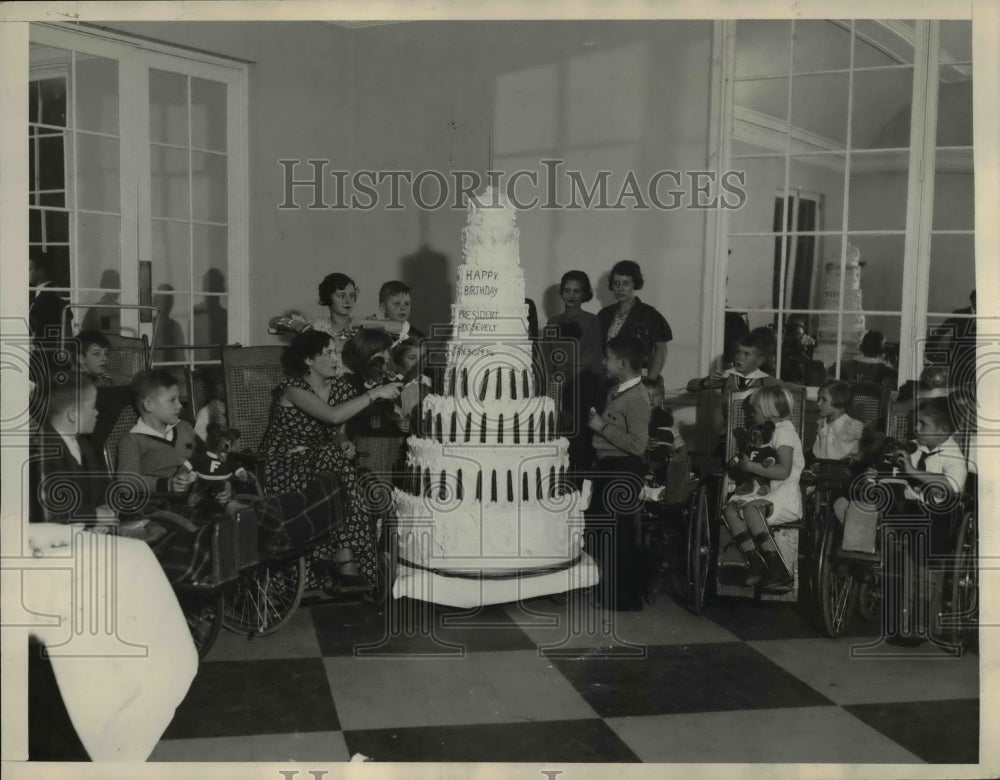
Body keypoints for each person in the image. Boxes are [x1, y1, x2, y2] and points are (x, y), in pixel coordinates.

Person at [261, 330, 401, 588]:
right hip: (285, 466)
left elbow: (338, 433)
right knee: (337, 466)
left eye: (336, 352)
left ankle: (342, 553)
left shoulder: (342, 388)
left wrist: (344, 443)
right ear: (308, 361)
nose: (337, 358)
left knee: (337, 461)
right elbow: (333, 417)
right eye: (328, 353)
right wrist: (374, 393)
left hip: (322, 464)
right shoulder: (293, 389)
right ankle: (344, 557)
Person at [835, 397, 968, 644]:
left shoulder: (954, 458)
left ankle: (919, 622)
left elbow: (952, 487)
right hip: (909, 510)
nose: (915, 429)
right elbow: (899, 470)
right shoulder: (916, 447)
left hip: (938, 516)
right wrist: (882, 472)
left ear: (944, 431)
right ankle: (863, 549)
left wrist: (913, 471)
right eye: (915, 423)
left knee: (921, 555)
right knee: (868, 506)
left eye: (922, 424)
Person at [585, 336, 652, 611]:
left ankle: (625, 597)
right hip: (608, 467)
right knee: (604, 531)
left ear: (621, 363)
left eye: (607, 358)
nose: (603, 362)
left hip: (623, 469)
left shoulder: (637, 398)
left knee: (619, 534)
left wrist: (601, 428)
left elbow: (637, 445)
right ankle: (609, 589)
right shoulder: (617, 390)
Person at [721, 385, 804, 591]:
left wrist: (750, 466)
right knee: (729, 510)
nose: (751, 414)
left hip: (783, 494)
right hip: (764, 491)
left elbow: (783, 471)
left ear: (769, 410)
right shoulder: (767, 432)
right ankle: (755, 561)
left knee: (750, 509)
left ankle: (778, 569)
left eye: (754, 409)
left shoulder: (784, 433)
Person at [268, 272, 408, 377]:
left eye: (352, 295)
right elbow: (273, 323)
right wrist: (300, 327)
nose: (348, 301)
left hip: (357, 388)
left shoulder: (362, 326)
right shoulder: (317, 325)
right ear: (329, 298)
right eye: (341, 296)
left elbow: (400, 327)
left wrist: (362, 323)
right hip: (323, 390)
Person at [29, 377, 113, 526]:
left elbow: (102, 487)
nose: (97, 413)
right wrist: (94, 515)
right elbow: (49, 504)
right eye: (93, 407)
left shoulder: (85, 445)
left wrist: (106, 508)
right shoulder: (43, 450)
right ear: (73, 414)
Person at [116, 369, 198, 495]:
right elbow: (127, 481)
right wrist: (167, 484)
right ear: (149, 405)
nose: (180, 405)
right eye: (172, 400)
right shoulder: (132, 440)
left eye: (179, 400)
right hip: (163, 504)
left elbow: (207, 458)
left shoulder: (184, 427)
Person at [342, 329, 409, 481]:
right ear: (366, 353)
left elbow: (398, 410)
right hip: (369, 445)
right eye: (383, 352)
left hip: (396, 445)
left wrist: (403, 421)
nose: (387, 357)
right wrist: (389, 407)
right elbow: (350, 411)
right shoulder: (352, 381)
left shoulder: (391, 379)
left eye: (388, 351)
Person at [596, 260, 672, 380]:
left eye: (626, 283)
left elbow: (661, 349)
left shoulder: (649, 314)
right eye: (616, 283)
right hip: (608, 379)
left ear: (635, 284)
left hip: (636, 380)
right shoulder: (604, 314)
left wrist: (651, 380)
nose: (620, 288)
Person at [811, 380, 864, 462]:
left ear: (838, 400)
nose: (818, 403)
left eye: (824, 400)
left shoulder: (852, 426)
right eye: (819, 398)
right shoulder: (822, 424)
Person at [28, 256, 70, 344]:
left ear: (40, 271)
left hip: (44, 350)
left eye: (29, 269)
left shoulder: (51, 295)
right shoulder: (40, 293)